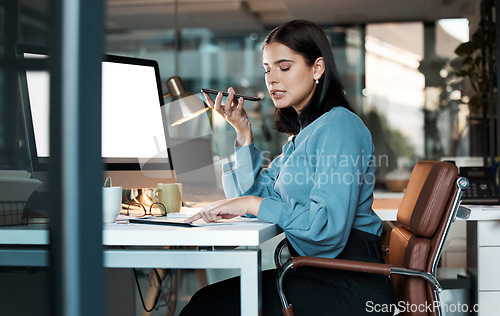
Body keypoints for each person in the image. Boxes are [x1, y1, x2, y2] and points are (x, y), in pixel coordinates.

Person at [181, 19, 396, 315]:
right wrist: (243, 133)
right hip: (317, 272)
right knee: (204, 301)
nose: (272, 80)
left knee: (205, 308)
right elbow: (256, 193)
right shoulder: (304, 135)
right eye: (267, 70)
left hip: (348, 283)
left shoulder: (339, 126)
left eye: (284, 67)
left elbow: (327, 231)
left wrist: (253, 203)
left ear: (317, 68)